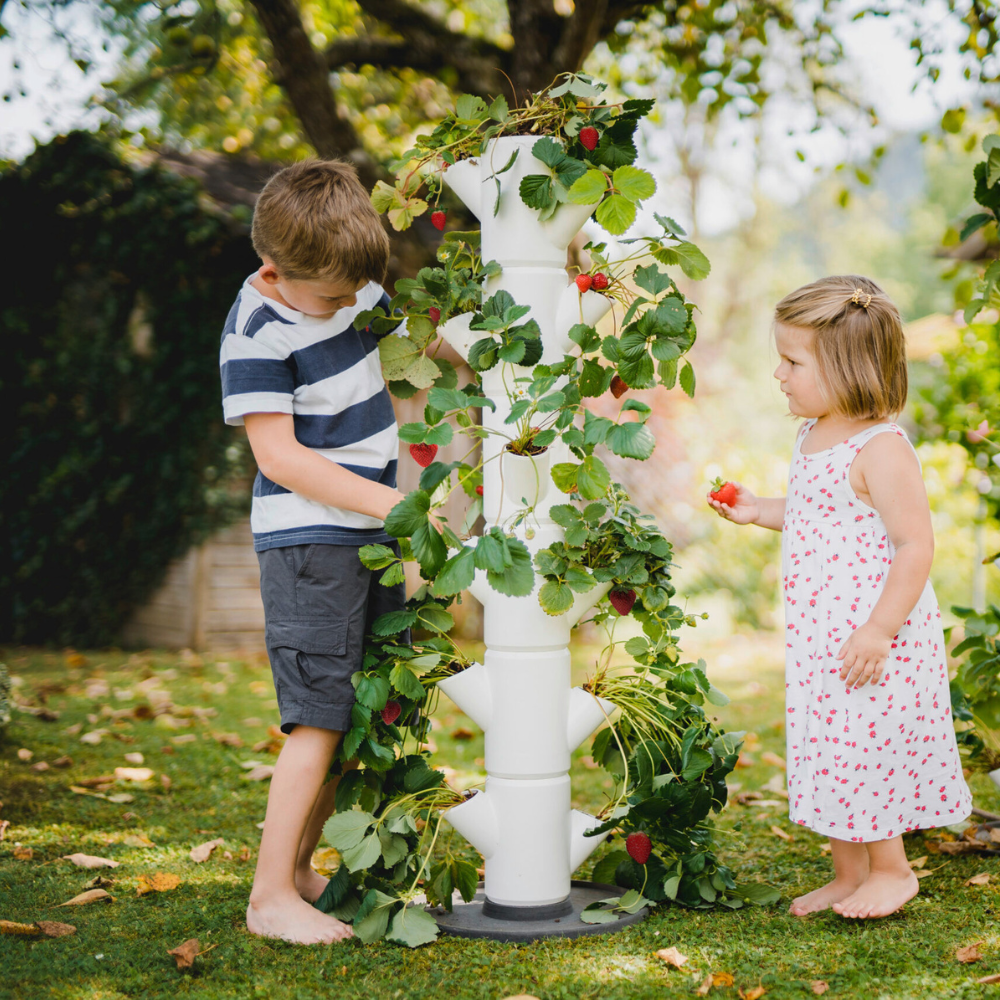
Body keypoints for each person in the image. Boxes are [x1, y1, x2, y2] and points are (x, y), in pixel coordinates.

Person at [708, 274, 971, 920]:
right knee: (830, 744)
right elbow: (810, 512)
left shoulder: (881, 447)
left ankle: (892, 870)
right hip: (822, 638)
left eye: (792, 361)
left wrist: (879, 630)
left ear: (847, 367)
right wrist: (755, 510)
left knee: (867, 743)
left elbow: (915, 546)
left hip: (875, 637)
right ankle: (848, 872)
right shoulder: (813, 435)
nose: (778, 374)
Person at [219, 159, 407, 945]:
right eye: (332, 298)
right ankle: (268, 897)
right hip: (308, 539)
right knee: (317, 719)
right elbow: (281, 459)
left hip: (366, 533)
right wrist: (396, 505)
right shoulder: (254, 330)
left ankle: (297, 871)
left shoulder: (353, 282)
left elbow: (411, 343)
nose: (348, 307)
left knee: (353, 712)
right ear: (274, 270)